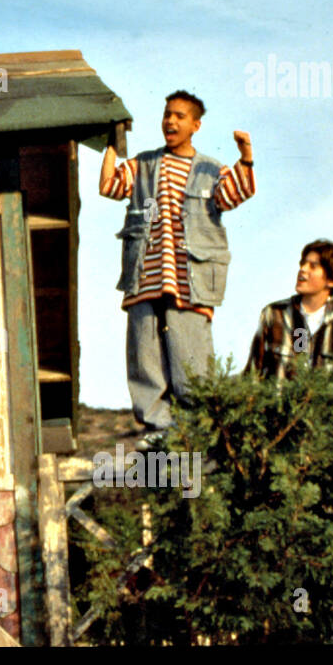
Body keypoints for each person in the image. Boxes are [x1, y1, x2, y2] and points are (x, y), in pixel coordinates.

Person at [99, 90, 255, 436]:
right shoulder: (144, 164)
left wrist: (245, 157)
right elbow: (109, 185)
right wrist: (111, 143)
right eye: (167, 114)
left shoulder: (211, 169)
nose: (171, 121)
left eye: (180, 116)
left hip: (191, 278)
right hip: (145, 275)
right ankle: (156, 429)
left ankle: (197, 431)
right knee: (146, 354)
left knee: (191, 358)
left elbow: (234, 195)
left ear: (196, 125)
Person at [245, 240, 333, 389]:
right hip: (279, 410)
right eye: (303, 264)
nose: (303, 269)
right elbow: (253, 373)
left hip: (327, 411)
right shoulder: (274, 314)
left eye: (313, 266)